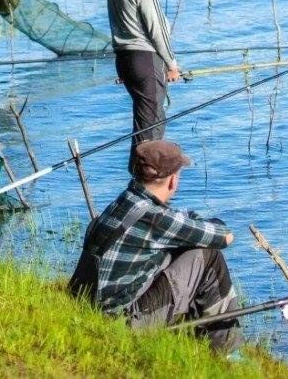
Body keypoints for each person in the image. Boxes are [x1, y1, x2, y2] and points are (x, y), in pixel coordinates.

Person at [71, 140, 242, 353]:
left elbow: (171, 220)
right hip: (122, 323)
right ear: (172, 181)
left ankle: (197, 336)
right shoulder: (155, 218)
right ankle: (225, 349)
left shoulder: (122, 202)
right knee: (208, 255)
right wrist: (203, 223)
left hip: (88, 307)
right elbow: (225, 237)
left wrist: (189, 222)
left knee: (179, 249)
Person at [106, 0, 181, 163]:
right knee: (151, 125)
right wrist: (171, 63)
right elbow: (156, 28)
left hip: (125, 59)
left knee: (143, 123)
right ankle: (143, 182)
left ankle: (140, 179)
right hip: (145, 59)